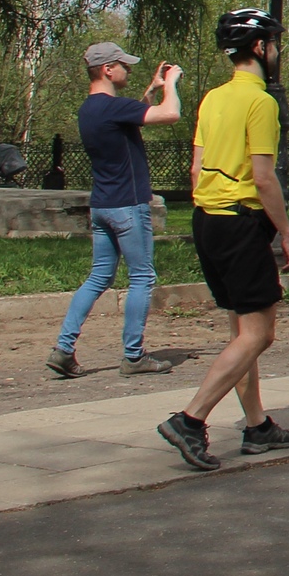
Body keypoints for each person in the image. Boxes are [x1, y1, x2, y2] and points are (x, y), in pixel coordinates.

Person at [156, 8, 289, 472]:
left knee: (241, 332)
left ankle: (257, 425)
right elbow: (264, 179)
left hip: (206, 220)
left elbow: (196, 168)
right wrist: (286, 234)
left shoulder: (213, 99)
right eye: (274, 44)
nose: (277, 52)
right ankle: (190, 419)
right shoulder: (261, 102)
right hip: (241, 223)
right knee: (259, 333)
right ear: (260, 48)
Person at [47, 42, 181, 378]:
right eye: (124, 65)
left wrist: (151, 90)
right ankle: (134, 356)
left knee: (98, 277)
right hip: (129, 207)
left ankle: (63, 349)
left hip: (102, 206)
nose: (128, 70)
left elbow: (127, 119)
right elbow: (171, 114)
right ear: (108, 69)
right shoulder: (113, 108)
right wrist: (172, 86)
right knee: (142, 277)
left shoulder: (90, 110)